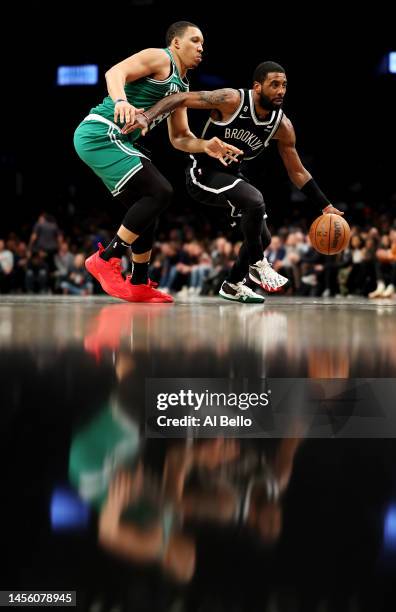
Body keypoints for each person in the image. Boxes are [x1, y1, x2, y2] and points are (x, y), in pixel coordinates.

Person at [126, 61, 344, 303]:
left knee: (264, 237)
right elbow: (180, 98)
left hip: (232, 177)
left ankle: (233, 284)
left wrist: (325, 205)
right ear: (257, 87)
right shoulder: (231, 100)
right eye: (274, 85)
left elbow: (298, 172)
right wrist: (147, 116)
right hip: (202, 173)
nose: (281, 90)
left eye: (284, 85)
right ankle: (258, 264)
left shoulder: (282, 126)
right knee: (254, 200)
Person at [73, 21, 242, 303]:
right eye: (195, 41)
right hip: (101, 132)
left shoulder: (183, 86)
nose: (201, 48)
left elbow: (179, 137)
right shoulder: (161, 57)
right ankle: (106, 258)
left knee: (147, 207)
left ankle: (138, 281)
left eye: (203, 44)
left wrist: (205, 145)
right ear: (176, 43)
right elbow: (115, 72)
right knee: (160, 191)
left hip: (118, 140)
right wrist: (120, 102)